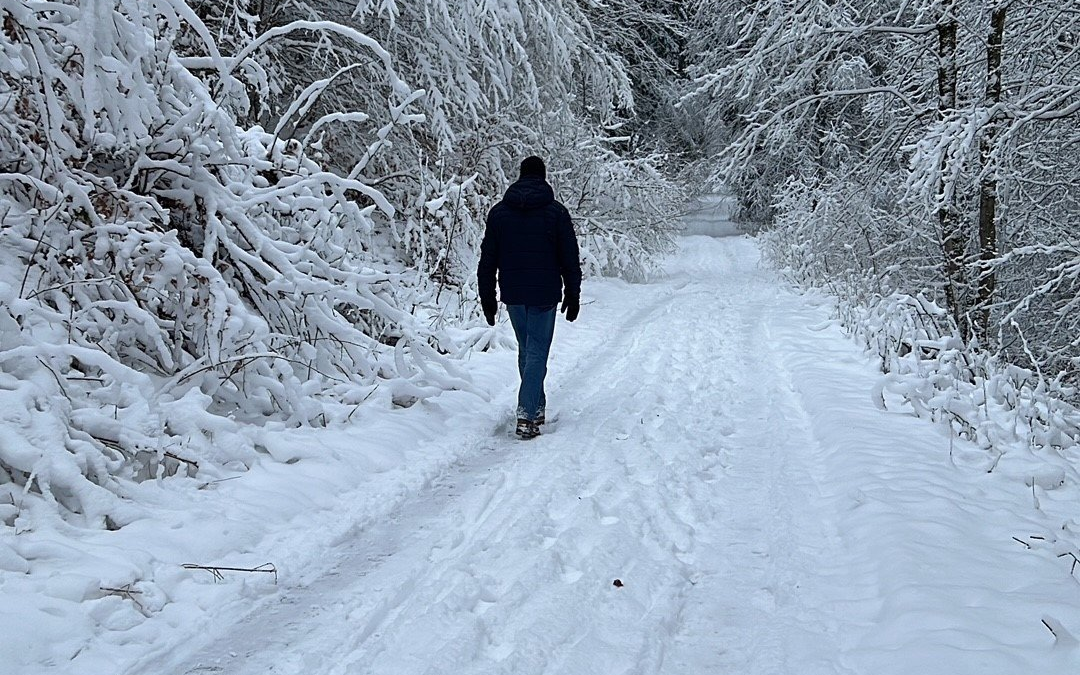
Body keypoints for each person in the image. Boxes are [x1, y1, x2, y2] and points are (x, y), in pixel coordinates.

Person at [478, 156, 582, 440]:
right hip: (544, 293)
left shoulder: (499, 213)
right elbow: (569, 258)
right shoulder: (556, 213)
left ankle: (537, 406)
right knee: (536, 351)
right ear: (543, 177)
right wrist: (573, 293)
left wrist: (487, 297)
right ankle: (526, 412)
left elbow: (487, 260)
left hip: (513, 293)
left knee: (528, 349)